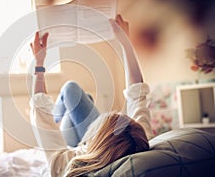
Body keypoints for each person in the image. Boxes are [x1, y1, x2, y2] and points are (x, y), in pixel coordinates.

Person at [29, 14, 152, 177]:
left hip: (73, 143)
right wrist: (125, 42)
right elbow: (137, 93)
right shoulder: (137, 141)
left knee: (70, 89)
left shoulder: (66, 163)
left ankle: (58, 116)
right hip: (86, 144)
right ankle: (62, 114)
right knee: (83, 98)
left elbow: (39, 111)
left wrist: (39, 62)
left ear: (98, 135)